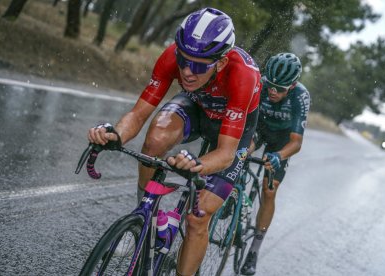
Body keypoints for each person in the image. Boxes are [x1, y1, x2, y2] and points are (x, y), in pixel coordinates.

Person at [87, 7, 262, 275]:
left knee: (197, 217)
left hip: (232, 128)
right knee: (155, 137)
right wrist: (117, 133)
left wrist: (196, 165)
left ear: (222, 63)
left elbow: (226, 153)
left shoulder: (243, 75)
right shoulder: (171, 56)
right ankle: (144, 216)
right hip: (198, 105)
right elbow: (138, 114)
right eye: (183, 59)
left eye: (199, 65)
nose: (188, 72)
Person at [240, 53, 311, 275]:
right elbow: (242, 116)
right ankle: (234, 193)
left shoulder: (300, 96)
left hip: (281, 141)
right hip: (258, 129)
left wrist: (278, 156)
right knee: (240, 153)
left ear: (292, 86)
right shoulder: (259, 83)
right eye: (270, 85)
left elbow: (296, 142)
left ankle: (254, 249)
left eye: (280, 89)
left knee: (269, 191)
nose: (273, 91)